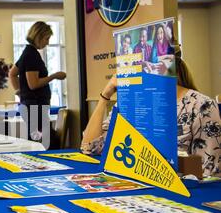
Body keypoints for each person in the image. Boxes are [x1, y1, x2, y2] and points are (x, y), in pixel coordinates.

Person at [81, 53, 221, 177]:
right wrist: (105, 96)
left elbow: (210, 171)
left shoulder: (201, 105)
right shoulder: (131, 99)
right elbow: (89, 147)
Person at [8, 21, 66, 145]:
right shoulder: (32, 55)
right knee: (46, 140)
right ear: (38, 36)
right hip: (35, 106)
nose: (47, 42)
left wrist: (20, 92)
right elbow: (33, 84)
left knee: (37, 137)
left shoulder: (27, 53)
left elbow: (12, 74)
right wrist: (54, 76)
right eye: (46, 38)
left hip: (30, 105)